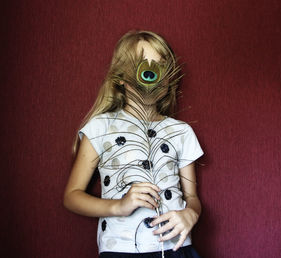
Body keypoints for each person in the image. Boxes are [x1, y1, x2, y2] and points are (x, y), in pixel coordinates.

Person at [63, 30, 204, 258]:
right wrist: (118, 206)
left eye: (161, 67)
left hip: (177, 248)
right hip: (122, 250)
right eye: (142, 67)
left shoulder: (182, 132)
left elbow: (193, 198)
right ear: (120, 77)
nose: (152, 74)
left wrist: (191, 214)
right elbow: (72, 195)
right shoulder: (101, 127)